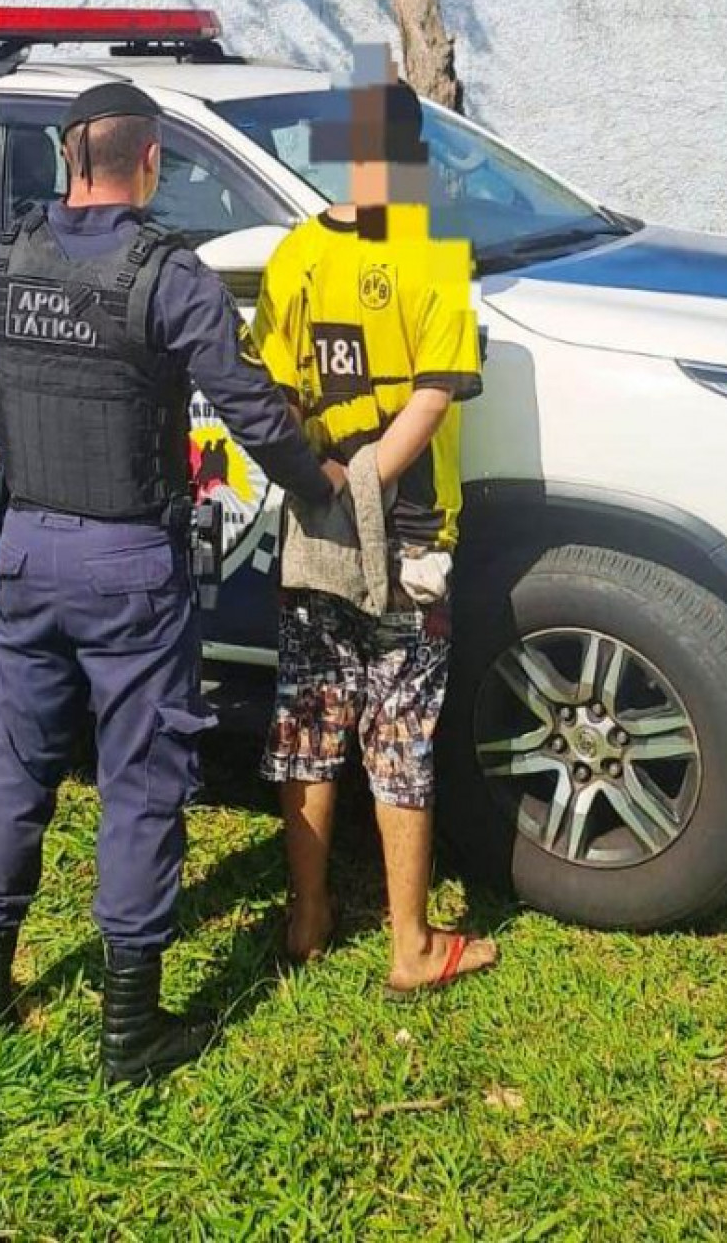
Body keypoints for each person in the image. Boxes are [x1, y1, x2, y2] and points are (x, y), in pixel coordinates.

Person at [0, 82, 339, 1085]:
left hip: (27, 550)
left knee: (16, 765)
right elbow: (250, 406)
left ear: (68, 159)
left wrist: (27, 468)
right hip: (129, 563)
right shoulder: (170, 274)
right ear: (150, 161)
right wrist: (319, 483)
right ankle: (130, 1031)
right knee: (140, 782)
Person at [252, 76, 498, 997]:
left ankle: (307, 918)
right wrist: (367, 489)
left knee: (310, 719)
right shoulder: (435, 256)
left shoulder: (295, 256)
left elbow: (271, 396)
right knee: (399, 731)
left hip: (313, 520)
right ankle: (409, 944)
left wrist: (318, 486)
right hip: (410, 532)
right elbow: (432, 398)